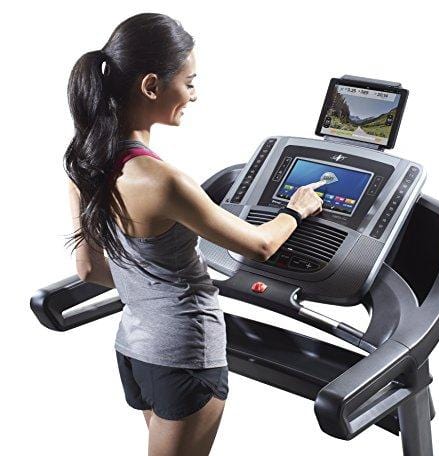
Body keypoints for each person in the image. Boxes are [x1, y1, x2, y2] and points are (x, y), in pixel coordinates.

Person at [64, 12, 323, 456]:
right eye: (189, 82)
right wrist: (296, 210)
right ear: (151, 86)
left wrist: (153, 287)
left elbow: (89, 268)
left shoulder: (85, 163)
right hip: (185, 353)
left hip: (135, 349)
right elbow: (261, 245)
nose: (194, 95)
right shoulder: (164, 182)